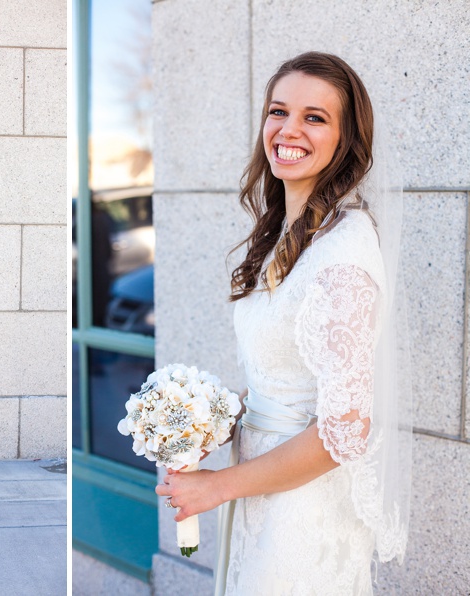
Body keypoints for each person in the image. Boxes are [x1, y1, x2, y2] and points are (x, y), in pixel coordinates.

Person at [155, 52, 411, 594]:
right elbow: (285, 373)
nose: (288, 129)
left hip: (305, 513)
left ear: (346, 140)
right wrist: (210, 422)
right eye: (278, 111)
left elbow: (342, 431)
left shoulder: (342, 255)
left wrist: (217, 486)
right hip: (260, 494)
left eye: (315, 117)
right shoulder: (290, 239)